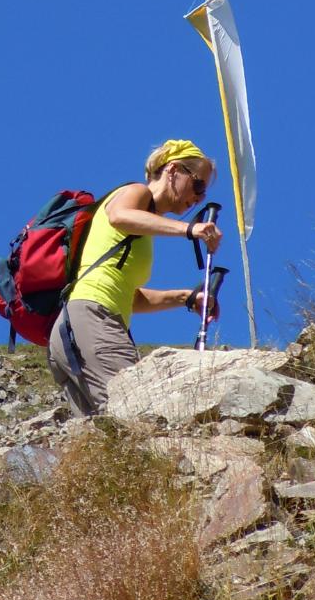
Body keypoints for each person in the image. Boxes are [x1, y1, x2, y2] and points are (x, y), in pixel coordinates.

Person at [48, 139, 222, 416]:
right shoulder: (136, 193)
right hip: (92, 320)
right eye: (198, 185)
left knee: (107, 435)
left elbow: (127, 295)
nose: (199, 198)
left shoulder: (144, 228)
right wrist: (190, 229)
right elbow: (119, 216)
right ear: (173, 170)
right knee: (137, 412)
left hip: (77, 326)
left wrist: (186, 298)